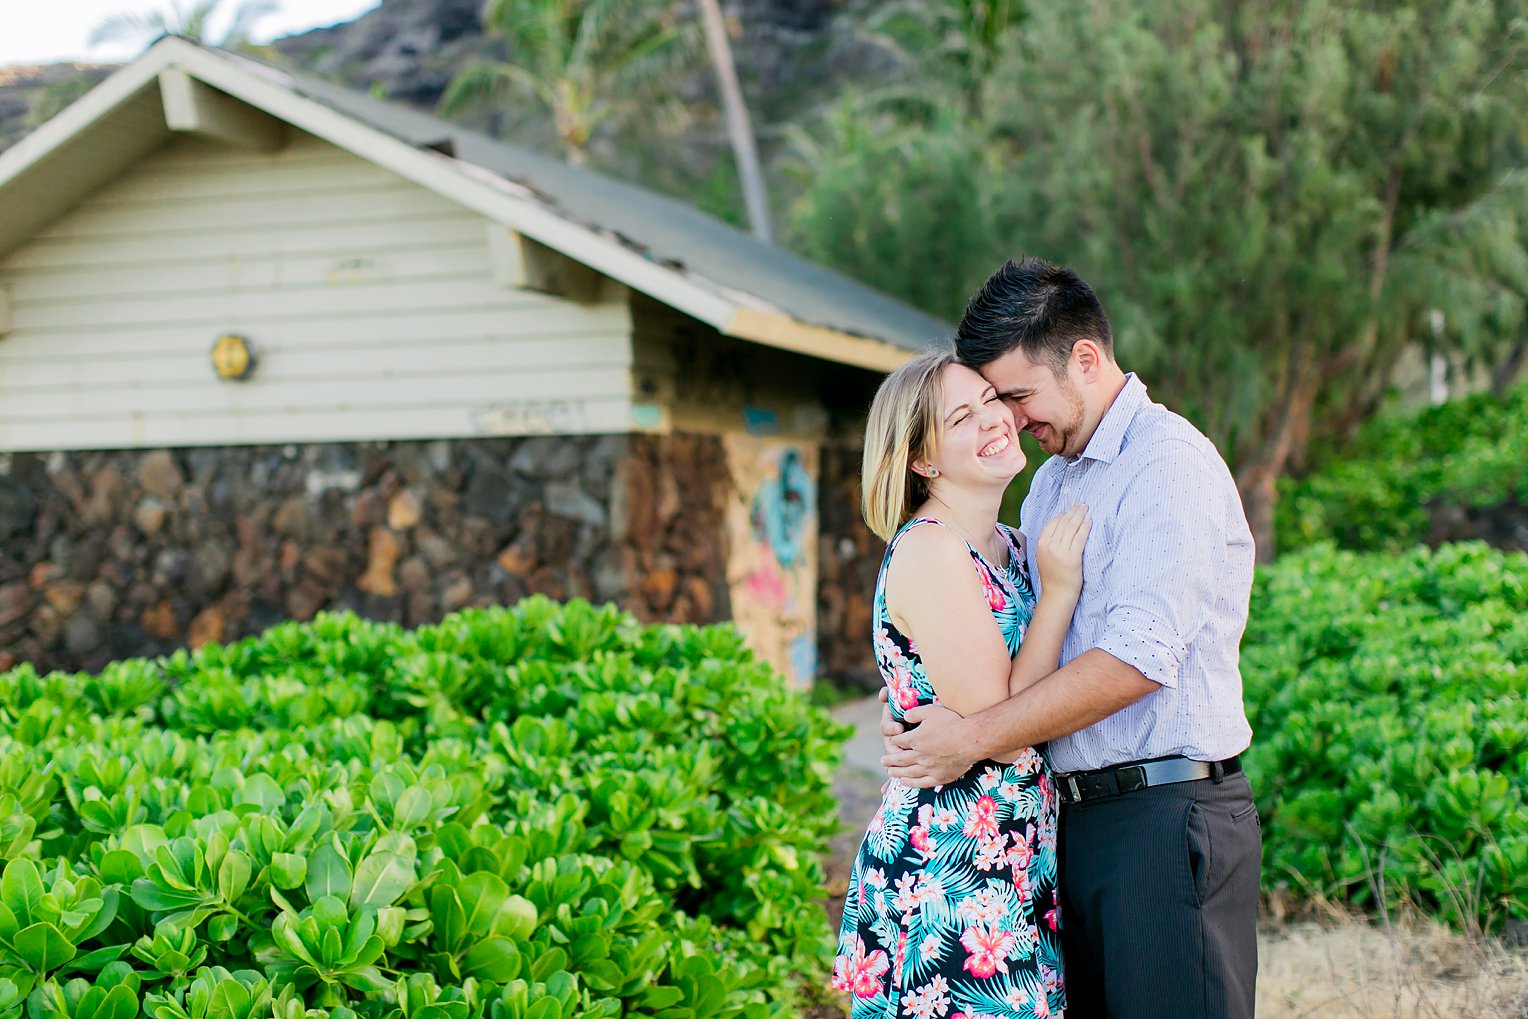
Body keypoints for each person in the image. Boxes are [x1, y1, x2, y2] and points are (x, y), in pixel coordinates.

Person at [880, 258, 1261, 1019]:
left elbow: (1138, 660)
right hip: (1066, 829)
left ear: (1084, 359)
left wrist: (970, 736)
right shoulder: (1054, 478)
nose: (1013, 419)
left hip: (1166, 814)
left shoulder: (1167, 465)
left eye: (1016, 395)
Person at [832, 348, 1091, 1018]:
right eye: (962, 416)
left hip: (1016, 854)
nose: (995, 420)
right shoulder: (930, 549)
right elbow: (1001, 728)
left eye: (991, 400)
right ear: (923, 459)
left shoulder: (1008, 541)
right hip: (952, 866)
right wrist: (1060, 592)